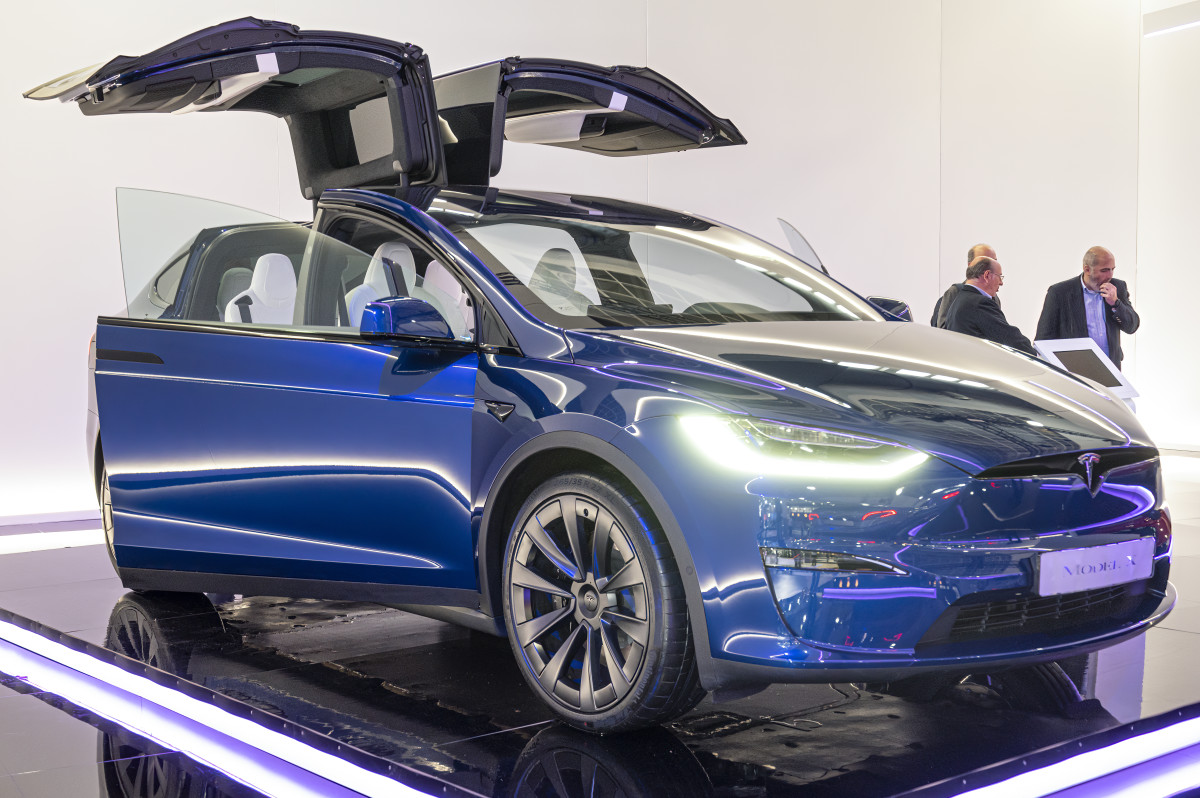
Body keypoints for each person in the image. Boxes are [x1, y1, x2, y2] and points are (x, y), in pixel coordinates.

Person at [1035, 246, 1139, 370]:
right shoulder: (1060, 293)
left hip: (1110, 369)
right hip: (1074, 370)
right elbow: (1043, 340)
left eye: (1112, 269)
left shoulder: (1117, 287)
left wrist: (1116, 303)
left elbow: (1132, 326)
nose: (1110, 275)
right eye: (1104, 270)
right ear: (1087, 269)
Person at [937, 256, 1037, 354]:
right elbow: (1008, 337)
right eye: (1000, 276)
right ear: (987, 275)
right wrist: (1035, 355)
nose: (1001, 283)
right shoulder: (979, 303)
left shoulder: (959, 298)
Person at [931, 243, 997, 326]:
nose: (992, 267)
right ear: (971, 265)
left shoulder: (994, 298)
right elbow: (943, 329)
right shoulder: (955, 292)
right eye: (985, 262)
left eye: (995, 261)